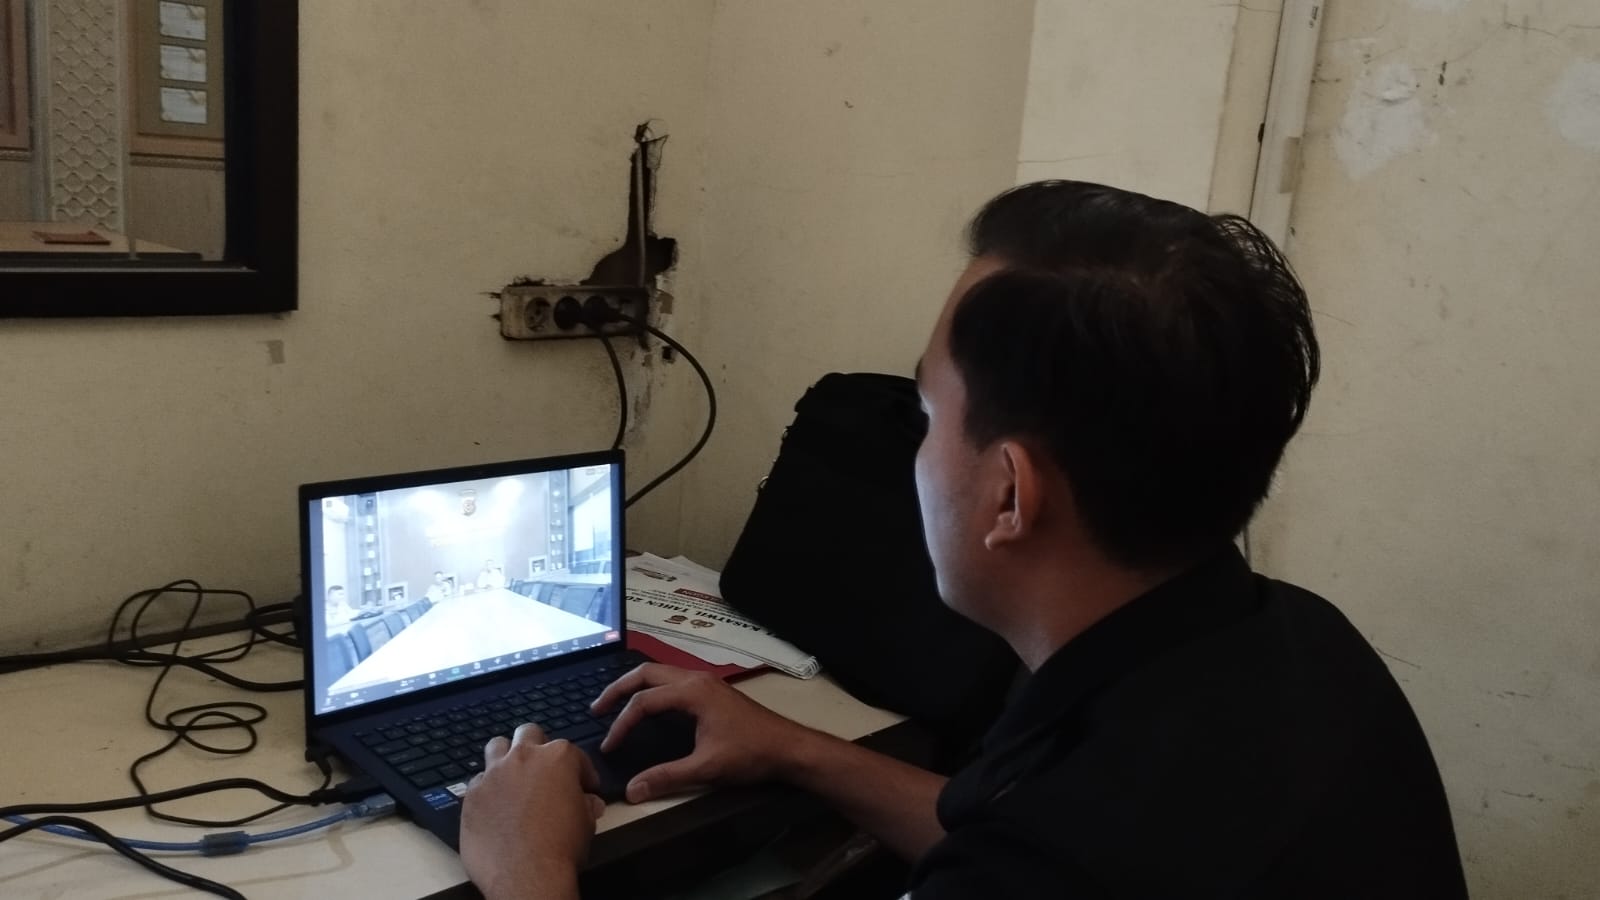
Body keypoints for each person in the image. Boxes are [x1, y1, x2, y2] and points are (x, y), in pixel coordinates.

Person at [458, 181, 1468, 899]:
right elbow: (1007, 821)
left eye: (928, 415)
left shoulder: (1072, 866)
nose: (916, 450)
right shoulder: (1291, 642)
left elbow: (1042, 855)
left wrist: (527, 870)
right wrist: (797, 751)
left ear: (1009, 494)